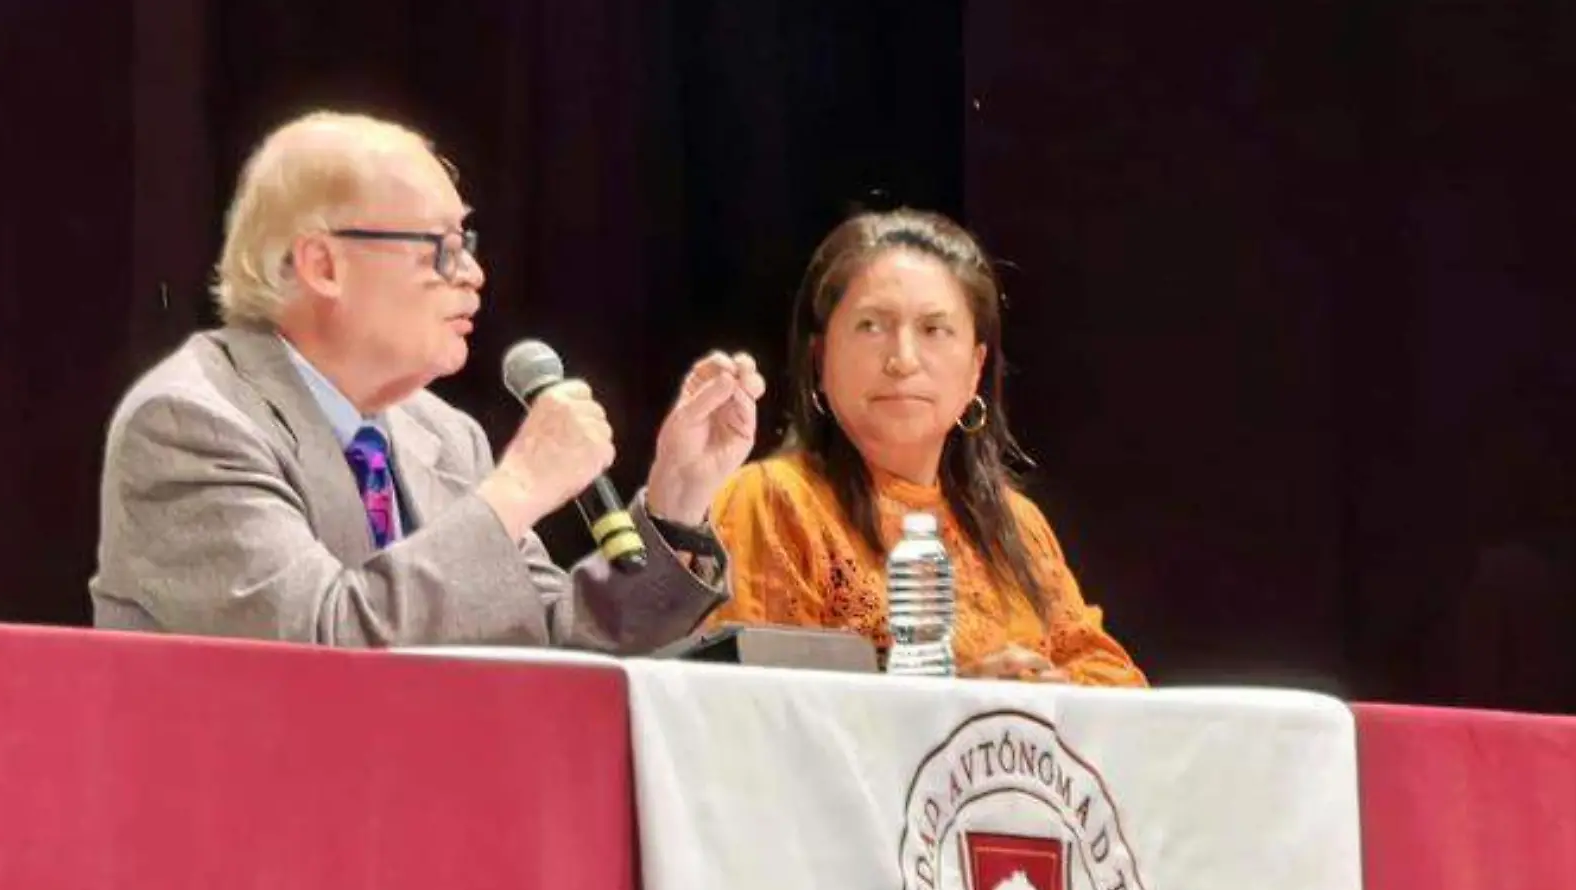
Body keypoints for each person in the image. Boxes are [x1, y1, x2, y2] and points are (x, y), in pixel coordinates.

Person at [90, 111, 764, 650]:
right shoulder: (192, 421)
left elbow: (559, 641)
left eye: (466, 243)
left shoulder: (442, 434)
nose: (473, 274)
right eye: (438, 247)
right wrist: (519, 489)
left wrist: (677, 499)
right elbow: (318, 650)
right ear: (324, 264)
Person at [706, 209, 1145, 686]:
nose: (903, 361)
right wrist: (960, 704)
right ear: (819, 356)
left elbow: (1113, 679)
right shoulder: (772, 500)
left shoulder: (1016, 525)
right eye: (872, 326)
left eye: (935, 330)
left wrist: (1047, 696)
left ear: (976, 366)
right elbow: (769, 710)